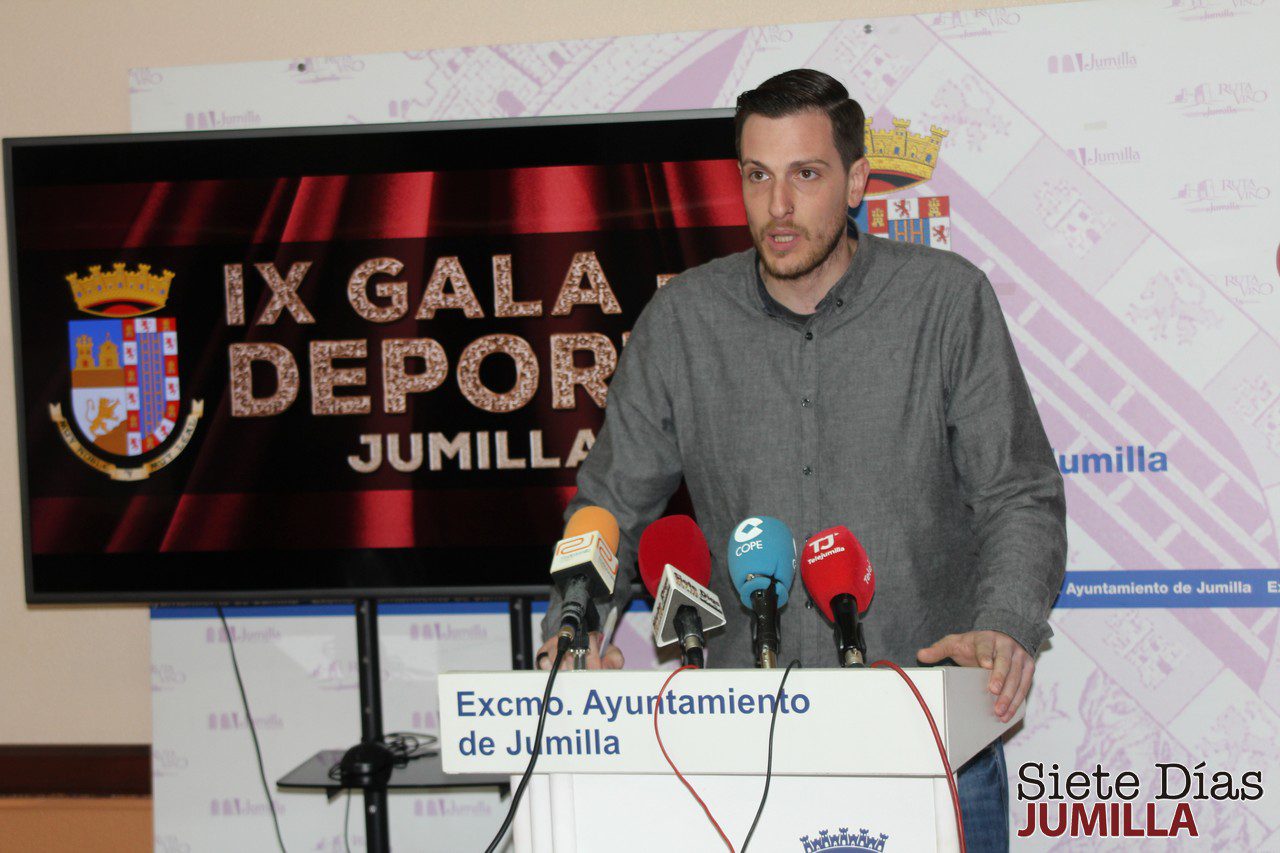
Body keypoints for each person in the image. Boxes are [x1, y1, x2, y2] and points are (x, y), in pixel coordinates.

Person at [536, 68, 1066, 850]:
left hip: (927, 740)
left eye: (806, 175)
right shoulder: (683, 320)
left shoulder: (946, 302)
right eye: (758, 176)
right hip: (743, 750)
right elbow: (611, 502)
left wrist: (1004, 625)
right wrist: (574, 622)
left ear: (856, 180)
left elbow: (1018, 493)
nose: (778, 206)